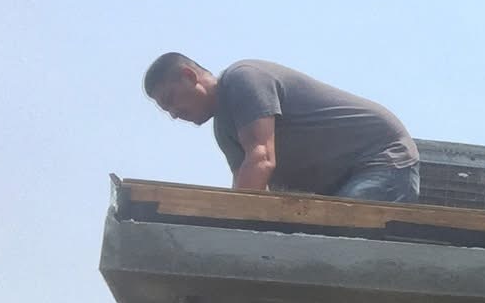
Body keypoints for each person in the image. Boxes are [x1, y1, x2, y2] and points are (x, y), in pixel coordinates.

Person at [142, 54, 420, 202]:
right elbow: (248, 188)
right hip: (337, 185)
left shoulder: (243, 79)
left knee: (338, 238)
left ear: (190, 76)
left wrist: (225, 229)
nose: (174, 114)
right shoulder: (225, 129)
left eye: (171, 99)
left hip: (380, 160)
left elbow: (261, 160)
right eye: (167, 111)